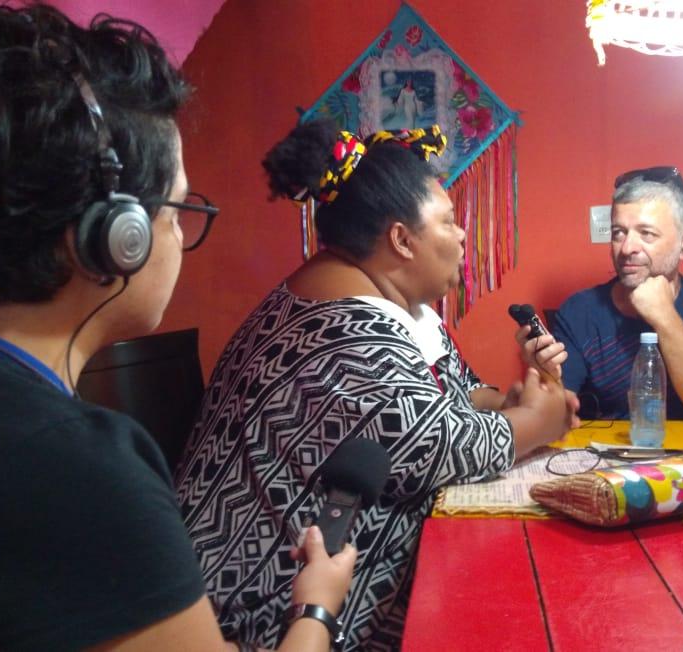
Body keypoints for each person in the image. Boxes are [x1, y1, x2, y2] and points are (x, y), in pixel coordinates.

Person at [0, 3, 354, 650]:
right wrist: (316, 608)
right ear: (113, 237)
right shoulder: (70, 470)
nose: (181, 235)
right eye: (177, 206)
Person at [175, 120, 575, 651]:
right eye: (450, 222)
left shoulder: (393, 306)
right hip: (260, 610)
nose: (461, 237)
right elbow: (433, 446)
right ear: (401, 241)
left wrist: (516, 400)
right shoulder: (343, 330)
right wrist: (535, 421)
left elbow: (457, 393)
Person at [520, 167, 683, 424]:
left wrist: (664, 316)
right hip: (603, 458)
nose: (627, 248)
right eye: (618, 233)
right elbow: (559, 415)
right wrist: (545, 376)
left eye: (647, 234)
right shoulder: (579, 311)